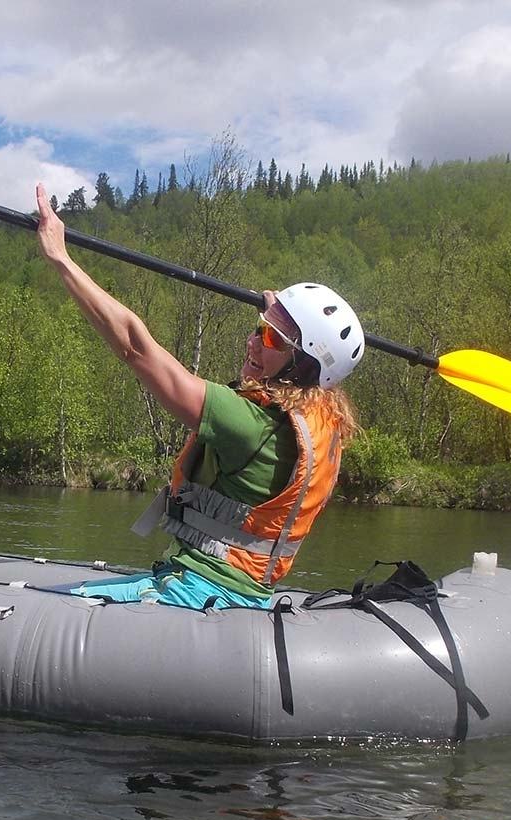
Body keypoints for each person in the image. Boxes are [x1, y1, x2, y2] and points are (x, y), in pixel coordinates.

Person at [33, 183, 362, 609]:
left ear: (302, 365)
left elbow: (135, 347)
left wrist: (61, 260)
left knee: (62, 604)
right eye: (259, 327)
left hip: (200, 590)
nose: (253, 342)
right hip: (244, 594)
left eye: (270, 338)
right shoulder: (314, 417)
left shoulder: (250, 426)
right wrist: (279, 314)